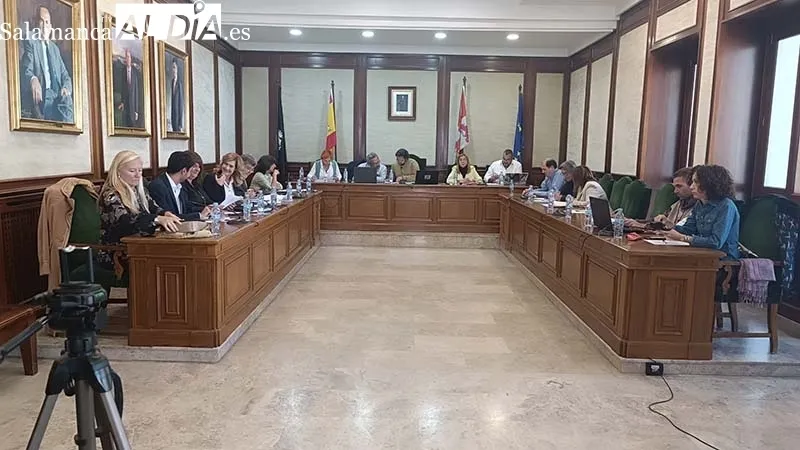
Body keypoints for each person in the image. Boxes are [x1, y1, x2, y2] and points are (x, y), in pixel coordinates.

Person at [98, 151, 181, 271]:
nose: (138, 175)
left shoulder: (139, 190)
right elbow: (125, 221)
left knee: (176, 253)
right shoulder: (110, 195)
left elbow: (153, 207)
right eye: (132, 171)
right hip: (117, 251)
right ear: (118, 172)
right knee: (167, 260)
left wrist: (165, 213)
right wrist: (157, 219)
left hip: (139, 244)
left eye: (140, 170)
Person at [666, 165, 740, 260]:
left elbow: (716, 242)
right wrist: (667, 226)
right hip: (702, 253)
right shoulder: (700, 203)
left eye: (696, 182)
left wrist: (682, 238)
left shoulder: (726, 206)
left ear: (709, 184)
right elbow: (688, 229)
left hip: (723, 259)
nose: (691, 187)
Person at [21, 6, 73, 122]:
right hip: (44, 95)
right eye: (41, 21)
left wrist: (66, 88)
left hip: (58, 96)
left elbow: (65, 76)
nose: (44, 25)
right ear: (36, 23)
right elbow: (26, 69)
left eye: (47, 22)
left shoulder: (55, 49)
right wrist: (33, 79)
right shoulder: (31, 42)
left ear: (50, 27)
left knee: (67, 105)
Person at [625, 167, 696, 230]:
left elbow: (683, 231)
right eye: (675, 187)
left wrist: (642, 225)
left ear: (692, 185)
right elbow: (656, 221)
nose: (675, 191)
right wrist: (635, 222)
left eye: (679, 186)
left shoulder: (698, 208)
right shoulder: (678, 204)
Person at [147, 151, 210, 220]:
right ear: (184, 171)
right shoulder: (158, 187)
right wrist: (199, 216)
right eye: (190, 170)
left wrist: (205, 209)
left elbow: (187, 207)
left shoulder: (180, 184)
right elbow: (170, 216)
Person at [115, 49, 143, 128]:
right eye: (126, 57)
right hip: (126, 105)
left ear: (131, 58)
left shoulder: (135, 72)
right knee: (126, 124)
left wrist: (136, 110)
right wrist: (122, 102)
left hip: (133, 106)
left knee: (133, 125)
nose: (127, 59)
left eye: (128, 57)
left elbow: (136, 92)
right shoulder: (123, 71)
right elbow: (123, 89)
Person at [169, 59, 184, 132]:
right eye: (172, 67)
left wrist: (180, 123)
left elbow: (181, 104)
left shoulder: (179, 83)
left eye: (174, 67)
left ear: (177, 69)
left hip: (178, 118)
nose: (173, 70)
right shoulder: (172, 82)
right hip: (173, 117)